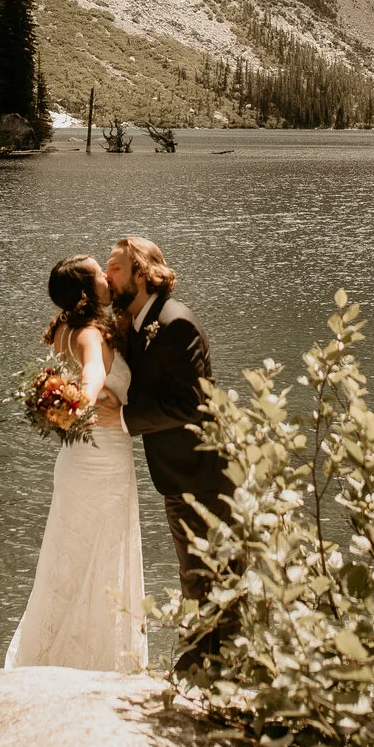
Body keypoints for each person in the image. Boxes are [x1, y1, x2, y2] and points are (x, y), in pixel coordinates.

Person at [99, 234, 236, 672]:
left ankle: (219, 671)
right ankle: (205, 670)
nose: (107, 275)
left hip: (207, 477)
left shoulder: (175, 322)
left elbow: (190, 405)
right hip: (179, 475)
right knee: (198, 579)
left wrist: (122, 419)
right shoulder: (139, 323)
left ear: (141, 273)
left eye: (115, 268)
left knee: (217, 578)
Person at [4, 255, 147, 673]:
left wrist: (60, 410)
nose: (107, 274)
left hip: (76, 458)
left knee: (69, 554)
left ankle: (54, 654)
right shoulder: (87, 334)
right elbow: (89, 382)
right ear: (88, 291)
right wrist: (86, 403)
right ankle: (100, 663)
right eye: (100, 273)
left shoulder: (62, 329)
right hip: (101, 457)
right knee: (103, 550)